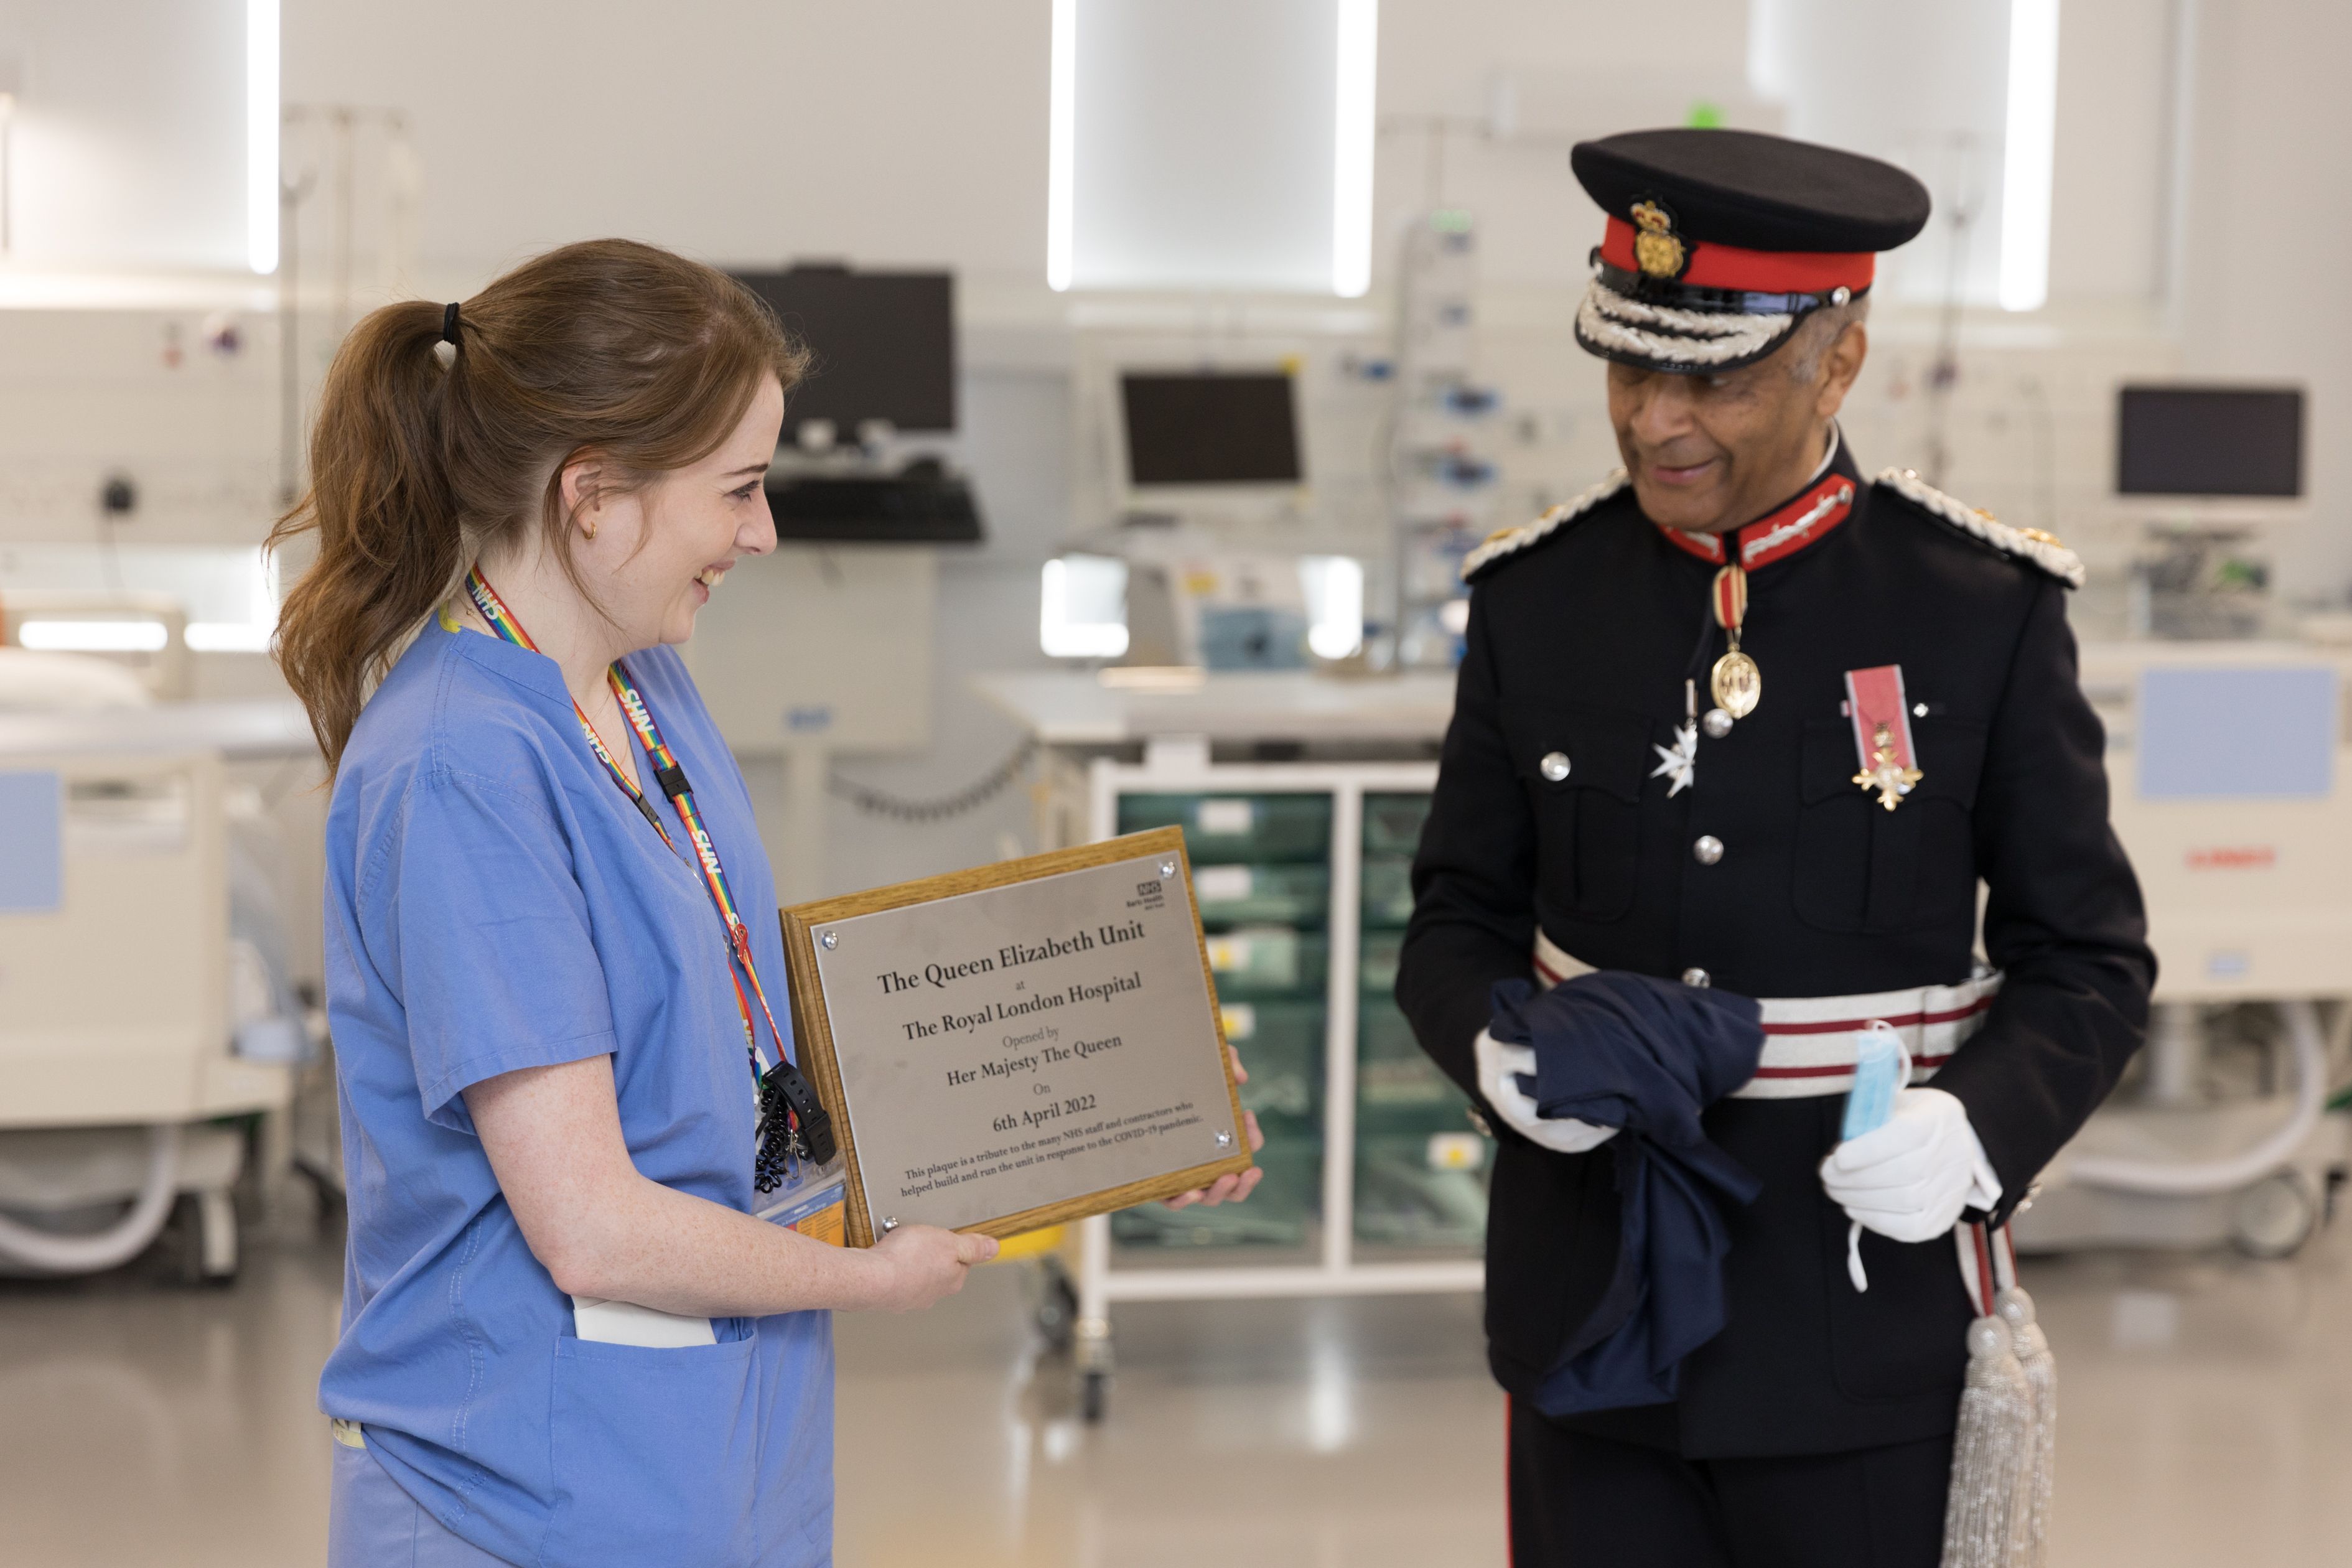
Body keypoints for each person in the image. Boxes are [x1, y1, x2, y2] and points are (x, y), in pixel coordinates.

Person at [274, 240, 1256, 1568]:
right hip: (521, 1489)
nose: (765, 531)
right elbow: (593, 1224)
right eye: (737, 488)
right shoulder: (461, 768)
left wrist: (1126, 1107)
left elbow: (737, 1052)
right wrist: (870, 1278)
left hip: (712, 1457)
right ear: (595, 496)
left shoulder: (639, 688)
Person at [1395, 129, 2154, 1567]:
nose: (1655, 421)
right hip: (1593, 1298)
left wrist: (1978, 1127)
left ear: (1840, 359)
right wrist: (1490, 1055)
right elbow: (1454, 919)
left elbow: (2091, 960)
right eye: (1629, 368)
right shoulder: (1535, 603)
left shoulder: (1975, 611)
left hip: (1857, 1315)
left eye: (1715, 377)